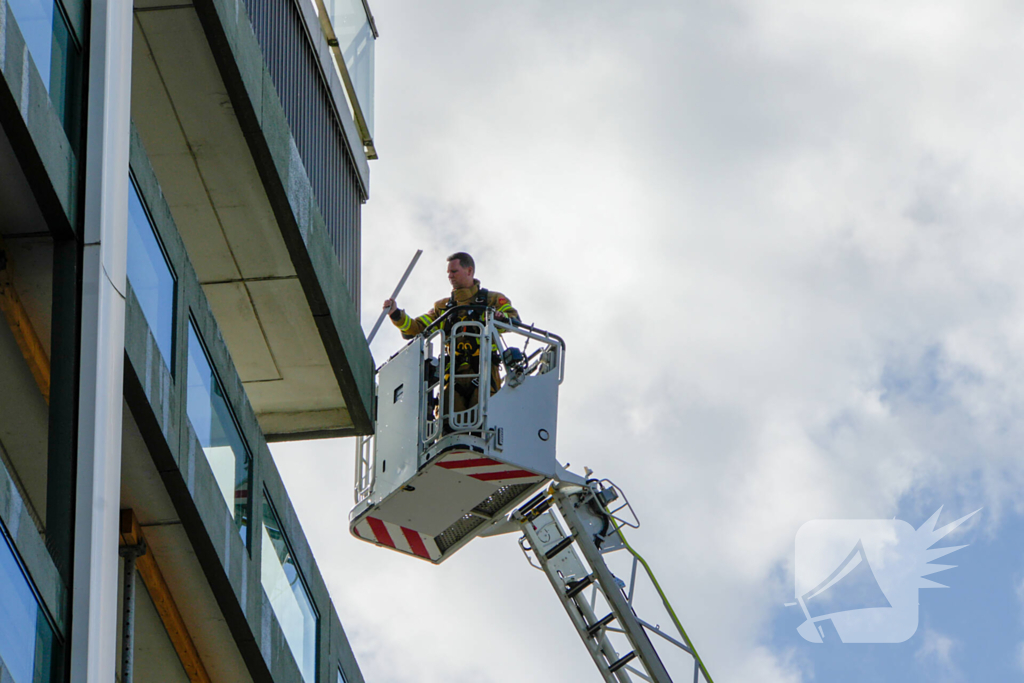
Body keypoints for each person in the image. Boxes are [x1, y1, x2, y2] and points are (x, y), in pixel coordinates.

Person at [383, 252, 519, 411]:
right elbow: (416, 328)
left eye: (454, 271)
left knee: (485, 415)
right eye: (448, 272)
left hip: (485, 372)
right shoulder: (442, 307)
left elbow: (514, 320)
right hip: (453, 376)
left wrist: (501, 318)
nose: (450, 276)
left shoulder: (492, 300)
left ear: (469, 271)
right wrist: (396, 314)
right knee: (447, 417)